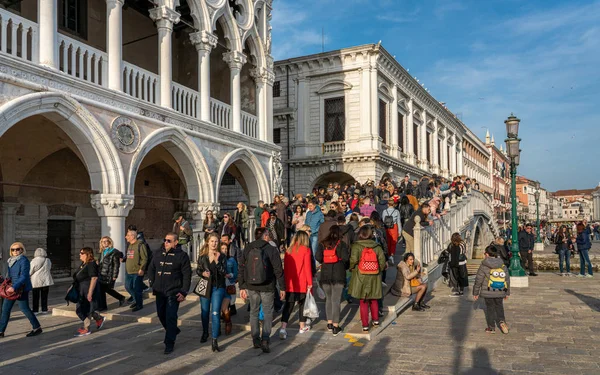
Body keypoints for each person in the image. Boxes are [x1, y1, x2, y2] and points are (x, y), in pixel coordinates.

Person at [239, 227, 285, 353]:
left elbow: (241, 267)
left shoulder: (248, 248)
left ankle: (255, 339)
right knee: (268, 312)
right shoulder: (271, 249)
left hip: (251, 285)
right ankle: (265, 339)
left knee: (253, 312)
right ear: (265, 236)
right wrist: (282, 287)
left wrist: (242, 286)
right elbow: (278, 269)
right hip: (268, 285)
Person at [148, 232, 191, 354]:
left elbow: (187, 275)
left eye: (169, 241)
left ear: (176, 242)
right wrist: (152, 282)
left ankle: (169, 342)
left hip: (174, 291)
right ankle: (173, 330)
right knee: (161, 314)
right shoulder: (157, 253)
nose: (166, 243)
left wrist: (184, 292)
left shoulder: (182, 256)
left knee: (171, 316)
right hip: (160, 291)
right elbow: (151, 268)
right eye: (165, 240)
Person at [0, 242, 43, 338]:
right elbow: (10, 276)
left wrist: (14, 287)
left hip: (20, 289)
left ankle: (37, 327)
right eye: (13, 249)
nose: (15, 251)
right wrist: (4, 281)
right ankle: (1, 331)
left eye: (17, 249)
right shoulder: (10, 260)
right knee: (5, 310)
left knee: (25, 309)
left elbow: (24, 276)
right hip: (11, 289)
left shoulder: (23, 260)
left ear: (22, 250)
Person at [348, 226, 386, 332]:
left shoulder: (356, 246)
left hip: (361, 275)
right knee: (374, 298)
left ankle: (365, 324)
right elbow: (382, 262)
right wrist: (379, 269)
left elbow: (353, 260)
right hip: (374, 275)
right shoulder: (377, 247)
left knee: (363, 300)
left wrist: (351, 268)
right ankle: (376, 320)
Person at [315, 225, 349, 336]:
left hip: (325, 274)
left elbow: (318, 257)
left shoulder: (322, 244)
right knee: (336, 300)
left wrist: (325, 261)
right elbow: (345, 259)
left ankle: (329, 323)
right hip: (338, 274)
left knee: (328, 299)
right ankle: (336, 325)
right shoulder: (342, 244)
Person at [279, 231, 313, 340]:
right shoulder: (306, 250)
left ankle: (283, 328)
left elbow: (286, 268)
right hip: (302, 282)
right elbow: (307, 268)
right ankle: (302, 327)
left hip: (290, 282)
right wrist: (310, 282)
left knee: (289, 305)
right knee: (302, 304)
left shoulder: (289, 250)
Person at [197, 233, 228, 351]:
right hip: (205, 285)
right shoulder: (202, 256)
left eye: (216, 241)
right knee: (204, 312)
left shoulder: (222, 256)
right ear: (208, 242)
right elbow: (198, 270)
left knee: (215, 312)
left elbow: (224, 271)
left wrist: (217, 261)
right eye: (212, 241)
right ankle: (205, 332)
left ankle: (214, 339)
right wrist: (202, 273)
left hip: (218, 287)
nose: (214, 243)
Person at [473, 246, 510, 334]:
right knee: (499, 306)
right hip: (500, 290)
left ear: (487, 254)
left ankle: (491, 327)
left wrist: (475, 292)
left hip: (488, 291)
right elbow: (507, 279)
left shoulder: (484, 265)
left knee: (490, 309)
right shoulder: (502, 264)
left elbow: (478, 280)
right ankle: (502, 321)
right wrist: (507, 292)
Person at [73, 247, 105, 337]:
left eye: (82, 253)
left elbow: (94, 278)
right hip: (81, 289)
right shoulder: (83, 264)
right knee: (81, 309)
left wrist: (90, 292)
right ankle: (99, 318)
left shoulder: (91, 264)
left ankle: (86, 328)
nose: (80, 254)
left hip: (88, 289)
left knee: (84, 309)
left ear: (88, 254)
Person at [97, 236, 126, 311]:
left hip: (108, 274)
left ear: (109, 242)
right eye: (103, 241)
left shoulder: (114, 252)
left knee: (106, 289)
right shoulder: (102, 252)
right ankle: (103, 306)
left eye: (106, 241)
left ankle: (120, 298)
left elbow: (116, 265)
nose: (104, 243)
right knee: (103, 290)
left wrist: (114, 275)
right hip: (101, 274)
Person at [125, 228, 149, 312]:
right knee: (128, 286)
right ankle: (136, 299)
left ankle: (139, 304)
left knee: (136, 288)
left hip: (137, 271)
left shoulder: (140, 244)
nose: (126, 237)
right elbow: (130, 256)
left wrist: (142, 269)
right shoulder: (130, 245)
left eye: (127, 235)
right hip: (129, 271)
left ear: (133, 236)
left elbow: (144, 258)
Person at [30, 248, 54, 314]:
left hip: (36, 280)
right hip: (46, 280)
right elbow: (49, 268)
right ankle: (44, 309)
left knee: (35, 296)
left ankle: (35, 310)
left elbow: (31, 270)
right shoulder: (48, 260)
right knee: (44, 296)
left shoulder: (34, 261)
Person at [220, 241, 238, 331]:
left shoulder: (231, 260)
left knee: (226, 306)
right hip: (218, 284)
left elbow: (236, 273)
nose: (225, 250)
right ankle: (224, 321)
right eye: (223, 248)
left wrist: (229, 275)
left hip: (228, 284)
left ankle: (228, 322)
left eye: (226, 249)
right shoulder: (216, 259)